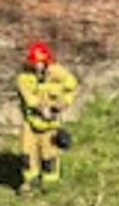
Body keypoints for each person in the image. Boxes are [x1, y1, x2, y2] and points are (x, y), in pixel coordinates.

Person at [17, 40, 78, 194]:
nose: (38, 66)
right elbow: (29, 98)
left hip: (51, 125)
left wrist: (63, 103)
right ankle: (29, 182)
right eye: (35, 63)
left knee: (49, 155)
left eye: (41, 63)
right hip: (31, 123)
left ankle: (49, 184)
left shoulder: (60, 75)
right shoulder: (24, 78)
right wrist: (41, 108)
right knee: (27, 154)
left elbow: (72, 88)